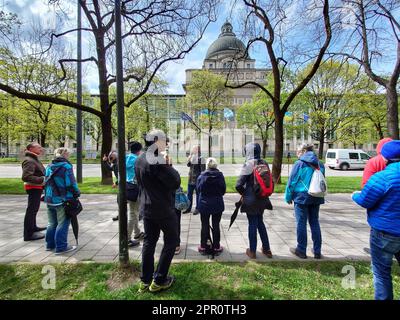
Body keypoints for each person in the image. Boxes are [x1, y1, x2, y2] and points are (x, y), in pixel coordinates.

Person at [352, 140, 400, 300]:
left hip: (384, 232)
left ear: (385, 159)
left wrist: (355, 195)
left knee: (381, 272)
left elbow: (365, 200)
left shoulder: (382, 178)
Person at [135, 129, 181, 293]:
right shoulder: (158, 160)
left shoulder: (139, 158)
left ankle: (145, 280)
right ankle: (160, 279)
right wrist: (169, 165)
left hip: (146, 208)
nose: (166, 144)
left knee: (149, 242)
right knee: (171, 241)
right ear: (156, 141)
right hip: (162, 209)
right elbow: (175, 182)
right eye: (164, 141)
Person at [361, 138, 400, 265]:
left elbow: (366, 191)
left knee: (381, 272)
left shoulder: (375, 165)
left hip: (383, 219)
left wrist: (355, 196)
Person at [284, 143, 325, 259]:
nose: (297, 153)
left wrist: (288, 196)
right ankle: (317, 251)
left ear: (303, 151)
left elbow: (292, 182)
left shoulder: (299, 164)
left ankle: (301, 250)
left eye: (298, 151)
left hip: (301, 197)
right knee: (315, 222)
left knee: (301, 223)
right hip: (316, 196)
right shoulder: (319, 164)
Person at [236, 143, 273, 259]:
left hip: (251, 200)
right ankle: (267, 250)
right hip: (263, 198)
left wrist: (244, 194)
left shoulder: (248, 164)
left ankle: (252, 251)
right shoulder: (264, 163)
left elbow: (238, 185)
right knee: (260, 222)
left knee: (252, 223)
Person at [44, 148, 80, 254]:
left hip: (50, 198)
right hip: (62, 199)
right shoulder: (66, 166)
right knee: (63, 223)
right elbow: (71, 183)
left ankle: (50, 245)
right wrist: (77, 193)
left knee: (51, 223)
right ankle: (61, 247)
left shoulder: (49, 166)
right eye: (68, 154)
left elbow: (45, 182)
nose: (69, 156)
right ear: (64, 154)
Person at [196, 157, 226, 255]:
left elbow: (198, 189)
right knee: (216, 224)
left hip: (204, 204)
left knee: (204, 225)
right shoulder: (220, 176)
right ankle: (216, 246)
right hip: (217, 203)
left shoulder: (201, 176)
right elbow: (223, 190)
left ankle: (203, 246)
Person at [21, 142, 46, 241]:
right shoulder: (29, 160)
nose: (41, 149)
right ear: (31, 149)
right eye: (38, 147)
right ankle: (28, 234)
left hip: (36, 187)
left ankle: (33, 227)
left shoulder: (33, 159)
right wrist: (42, 179)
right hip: (33, 188)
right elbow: (26, 177)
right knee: (31, 210)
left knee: (34, 209)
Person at [126, 141, 144, 248]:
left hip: (127, 187)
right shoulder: (137, 160)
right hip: (135, 189)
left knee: (134, 212)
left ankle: (137, 233)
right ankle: (127, 239)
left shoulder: (126, 158)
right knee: (133, 214)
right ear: (139, 150)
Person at [183, 145, 205, 215]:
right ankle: (188, 208)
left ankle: (197, 208)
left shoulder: (201, 158)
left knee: (198, 195)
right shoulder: (192, 157)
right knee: (189, 195)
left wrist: (201, 180)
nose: (192, 150)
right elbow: (188, 165)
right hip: (190, 179)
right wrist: (189, 159)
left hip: (197, 180)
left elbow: (203, 171)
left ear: (197, 150)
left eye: (193, 149)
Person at [103, 151, 119, 221]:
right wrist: (105, 161)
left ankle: (140, 214)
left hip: (125, 184)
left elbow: (124, 175)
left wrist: (116, 183)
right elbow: (110, 168)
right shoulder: (115, 163)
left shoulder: (118, 164)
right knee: (120, 201)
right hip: (122, 184)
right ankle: (120, 215)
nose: (110, 159)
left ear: (115, 157)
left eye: (111, 157)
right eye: (109, 157)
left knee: (122, 200)